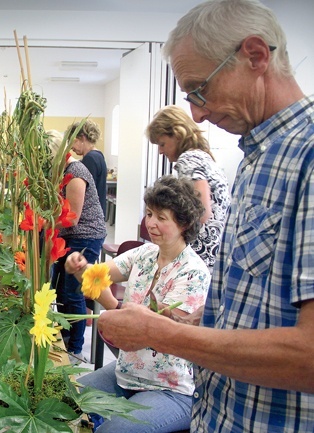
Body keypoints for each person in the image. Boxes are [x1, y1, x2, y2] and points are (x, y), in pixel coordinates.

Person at [97, 1, 314, 431]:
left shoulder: (306, 158)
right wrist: (206, 319)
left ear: (255, 55)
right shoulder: (256, 157)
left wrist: (159, 332)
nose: (196, 113)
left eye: (200, 89)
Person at [66, 175, 210, 432]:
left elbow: (163, 333)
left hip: (170, 388)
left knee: (113, 430)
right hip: (127, 373)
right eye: (149, 214)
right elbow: (97, 275)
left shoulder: (193, 272)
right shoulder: (144, 254)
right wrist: (80, 268)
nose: (151, 223)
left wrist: (114, 307)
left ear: (184, 224)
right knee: (64, 402)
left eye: (161, 218)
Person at [146, 105, 231, 270]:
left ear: (177, 135)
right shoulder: (204, 156)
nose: (160, 151)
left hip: (200, 253)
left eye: (162, 144)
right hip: (217, 251)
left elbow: (201, 212)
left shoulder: (188, 159)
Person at [47, 130, 107, 363]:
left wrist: (44, 221)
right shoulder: (64, 172)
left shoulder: (75, 174)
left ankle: (75, 348)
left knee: (73, 292)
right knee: (62, 290)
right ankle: (65, 335)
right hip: (70, 237)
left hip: (85, 237)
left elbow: (72, 218)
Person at [67, 120, 108, 216]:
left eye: (74, 141)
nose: (71, 147)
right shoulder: (98, 155)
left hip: (91, 214)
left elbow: (86, 191)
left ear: (83, 138)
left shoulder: (90, 158)